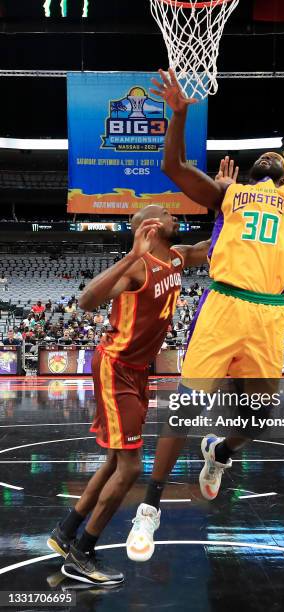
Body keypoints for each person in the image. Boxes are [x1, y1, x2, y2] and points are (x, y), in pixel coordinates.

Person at [126, 46, 284, 562]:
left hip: (268, 314)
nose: (273, 162)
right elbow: (173, 165)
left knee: (258, 415)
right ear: (257, 171)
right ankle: (150, 510)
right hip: (224, 304)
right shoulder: (228, 199)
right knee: (184, 410)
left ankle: (220, 454)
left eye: (279, 161)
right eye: (267, 162)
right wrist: (179, 114)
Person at [47, 206, 210, 585]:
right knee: (132, 467)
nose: (174, 215)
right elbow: (87, 301)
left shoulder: (177, 256)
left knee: (114, 461)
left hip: (138, 371)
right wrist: (132, 255)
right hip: (116, 366)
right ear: (151, 226)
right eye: (166, 213)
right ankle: (82, 553)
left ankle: (66, 530)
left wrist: (226, 204)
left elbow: (211, 247)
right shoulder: (137, 267)